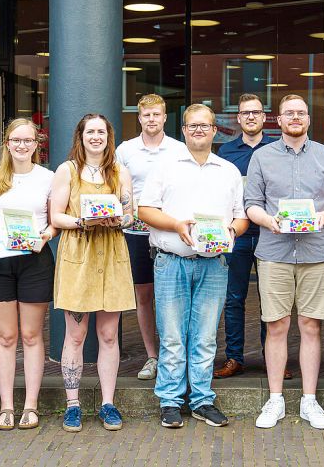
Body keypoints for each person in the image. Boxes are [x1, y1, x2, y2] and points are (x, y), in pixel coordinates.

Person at [138, 104, 250, 429]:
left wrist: (233, 230)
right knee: (172, 335)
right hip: (172, 261)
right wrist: (175, 225)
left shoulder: (228, 171)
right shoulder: (166, 167)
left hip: (214, 263)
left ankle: (201, 400)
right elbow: (145, 210)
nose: (199, 130)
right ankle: (170, 401)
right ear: (184, 131)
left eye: (205, 126)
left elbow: (240, 216)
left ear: (215, 130)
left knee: (204, 337)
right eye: (192, 126)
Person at [246, 94, 324, 430]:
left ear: (308, 118)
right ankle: (275, 399)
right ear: (279, 118)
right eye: (289, 113)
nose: (295, 118)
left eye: (300, 113)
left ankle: (309, 400)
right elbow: (251, 204)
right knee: (276, 326)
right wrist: (268, 220)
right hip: (274, 252)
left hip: (316, 253)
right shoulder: (261, 157)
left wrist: (322, 217)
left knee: (311, 326)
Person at [50, 114, 136, 433]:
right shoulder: (67, 170)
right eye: (90, 131)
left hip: (111, 254)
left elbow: (130, 213)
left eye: (101, 131)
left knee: (109, 335)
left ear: (108, 136)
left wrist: (119, 220)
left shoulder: (119, 171)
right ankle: (73, 405)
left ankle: (107, 403)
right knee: (75, 334)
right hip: (79, 254)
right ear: (81, 136)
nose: (96, 136)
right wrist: (83, 221)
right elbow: (56, 216)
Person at [0, 119, 57, 431]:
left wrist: (44, 236)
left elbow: (53, 222)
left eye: (28, 140)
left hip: (35, 260)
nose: (22, 145)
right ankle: (7, 406)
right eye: (16, 140)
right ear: (6, 144)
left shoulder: (47, 178)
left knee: (31, 335)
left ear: (36, 145)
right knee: (6, 336)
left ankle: (31, 406)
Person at [116, 94, 187, 381]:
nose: (152, 120)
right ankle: (152, 357)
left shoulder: (179, 149)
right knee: (143, 295)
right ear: (139, 117)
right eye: (147, 115)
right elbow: (118, 189)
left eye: (157, 115)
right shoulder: (125, 150)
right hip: (135, 233)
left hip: (169, 231)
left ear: (165, 117)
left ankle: (175, 357)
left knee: (173, 296)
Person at [214, 93, 278, 379]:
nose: (251, 117)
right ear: (238, 119)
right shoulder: (225, 152)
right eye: (245, 113)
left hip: (270, 235)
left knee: (272, 299)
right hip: (236, 236)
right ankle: (234, 357)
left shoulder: (277, 150)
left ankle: (272, 358)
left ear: (265, 117)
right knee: (233, 298)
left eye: (256, 112)